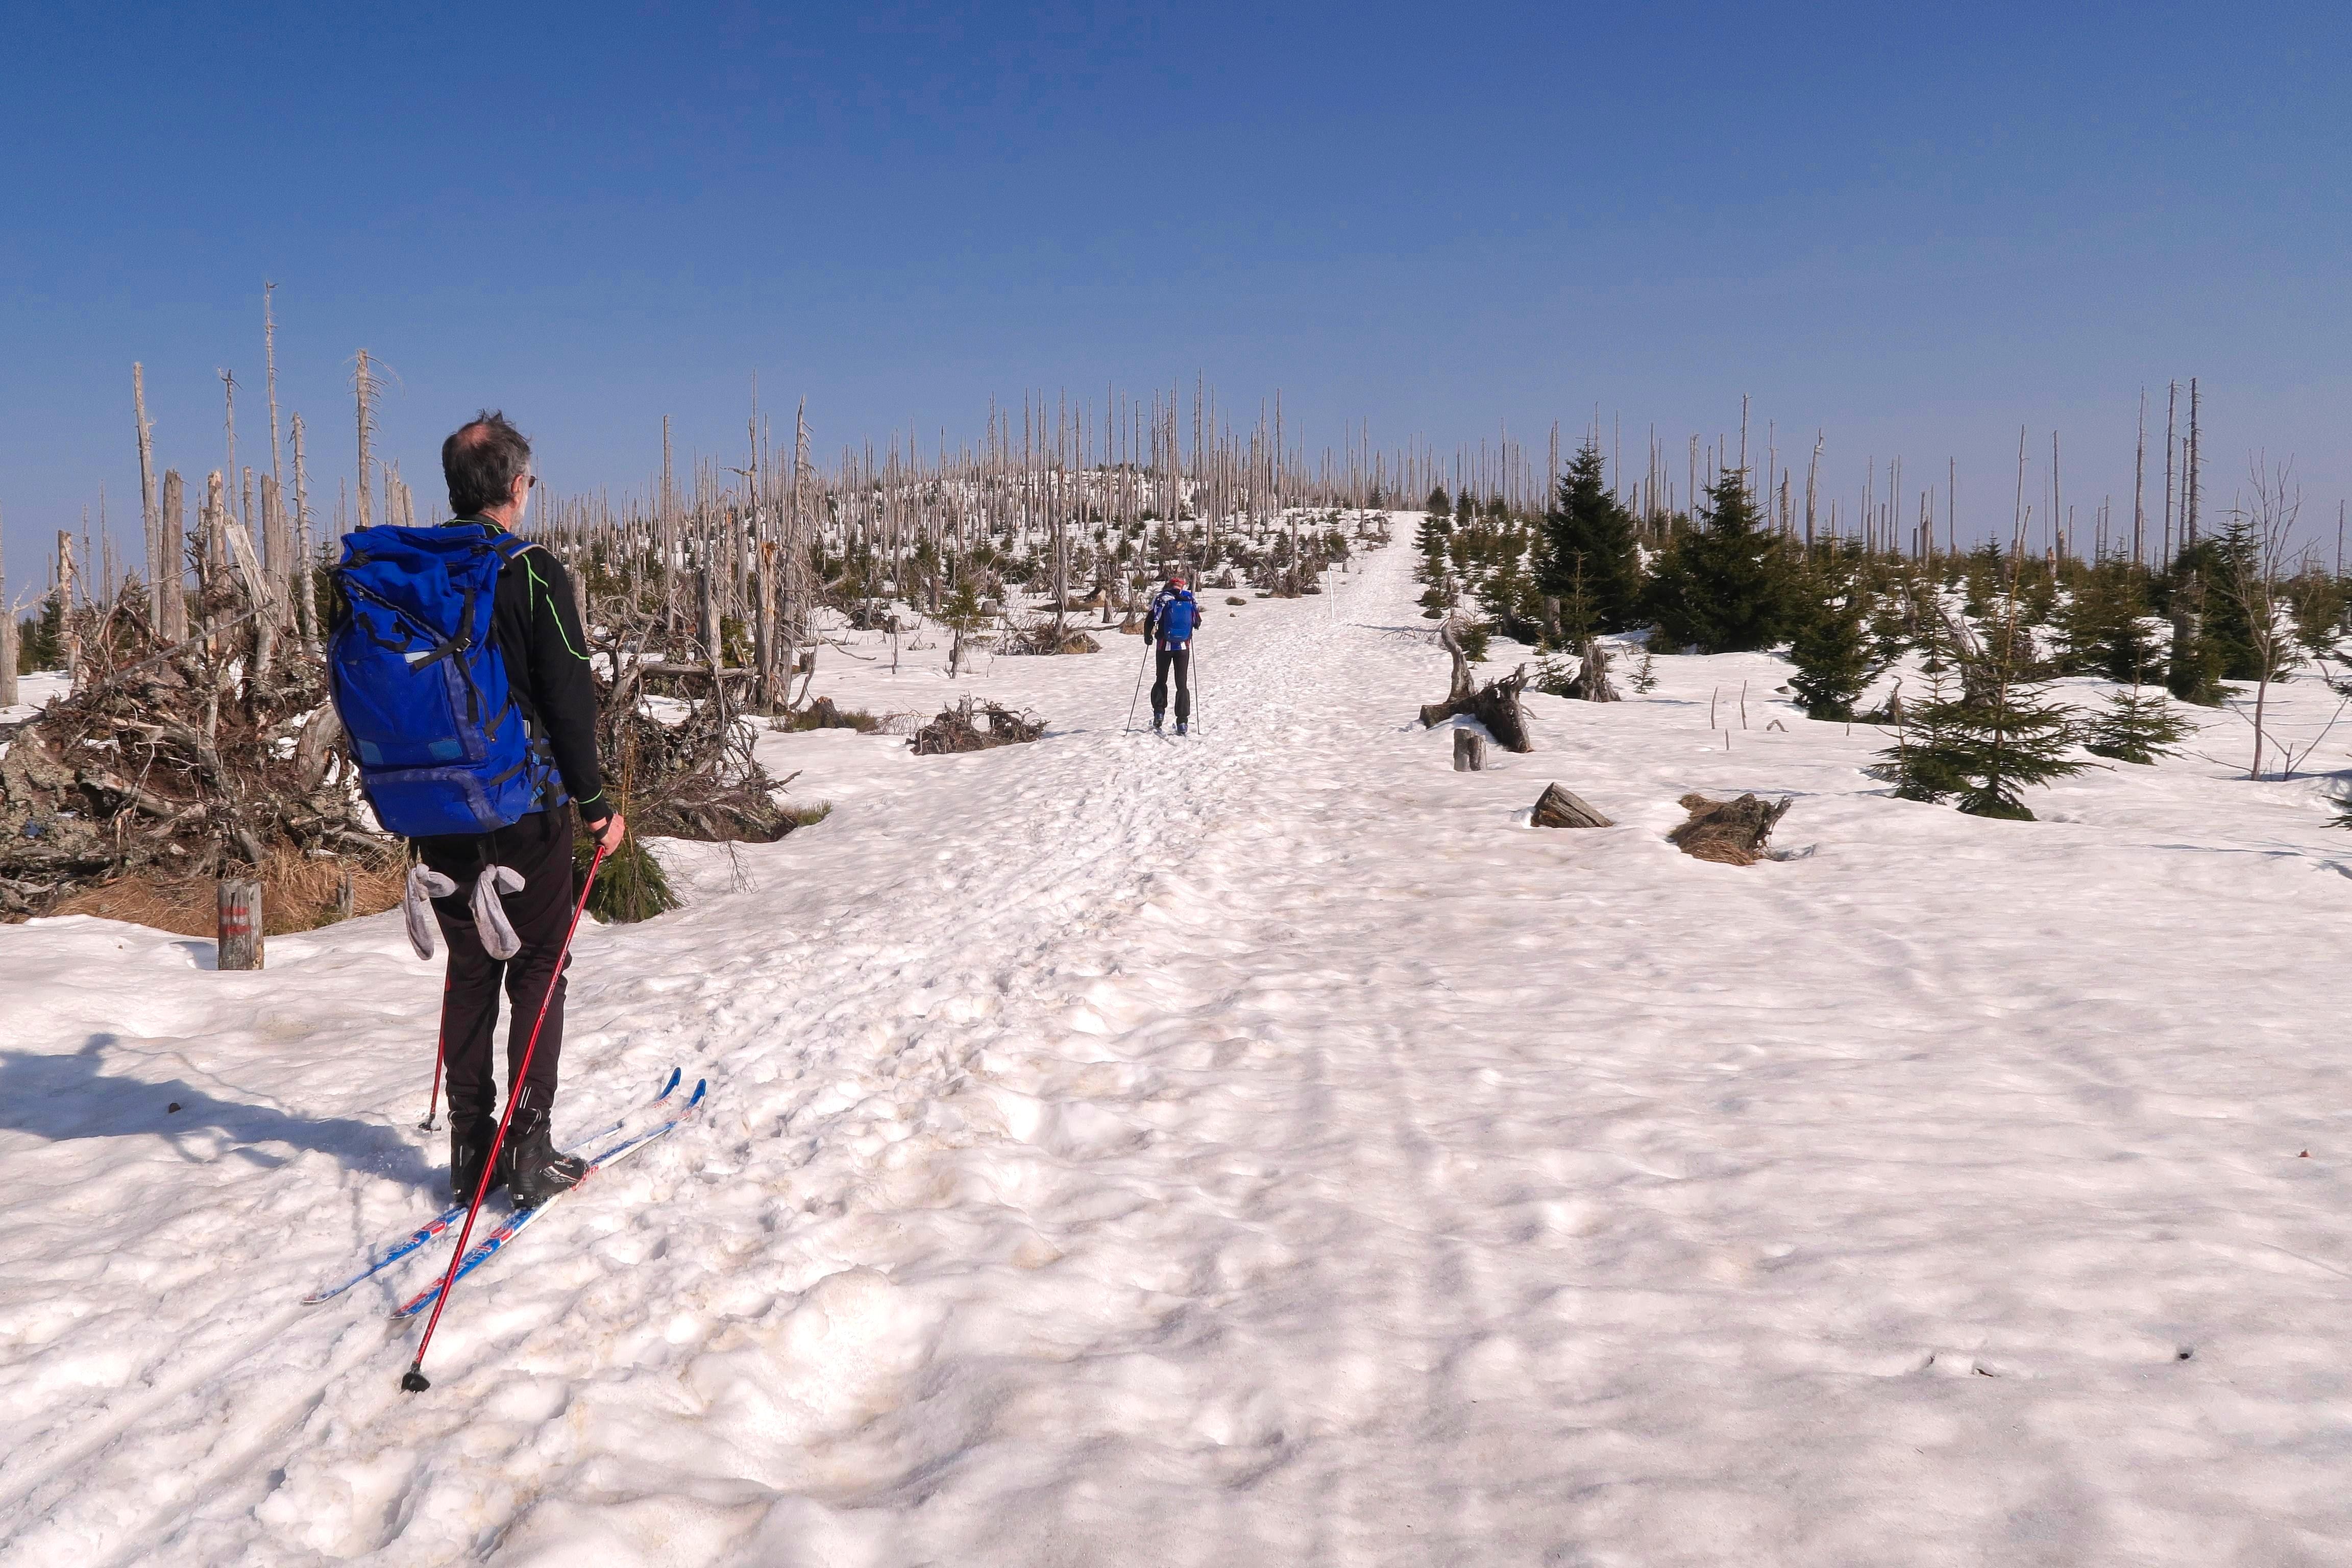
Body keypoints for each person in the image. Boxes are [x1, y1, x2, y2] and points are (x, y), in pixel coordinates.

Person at [329, 411, 625, 1208]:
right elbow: (569, 704)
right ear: (518, 487)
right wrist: (596, 806)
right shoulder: (531, 572)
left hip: (431, 809)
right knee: (537, 967)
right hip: (522, 810)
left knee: (471, 966)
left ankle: (471, 1147)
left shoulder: (399, 572)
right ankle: (529, 1147)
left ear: (457, 490)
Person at [1143, 571, 1199, 734]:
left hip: (1164, 646)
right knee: (1182, 684)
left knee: (1161, 679)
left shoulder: (1162, 598)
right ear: (1182, 586)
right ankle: (1182, 722)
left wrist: (1148, 637)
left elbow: (1150, 619)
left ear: (1170, 585)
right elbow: (1197, 622)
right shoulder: (1190, 599)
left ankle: (1159, 715)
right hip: (1183, 647)